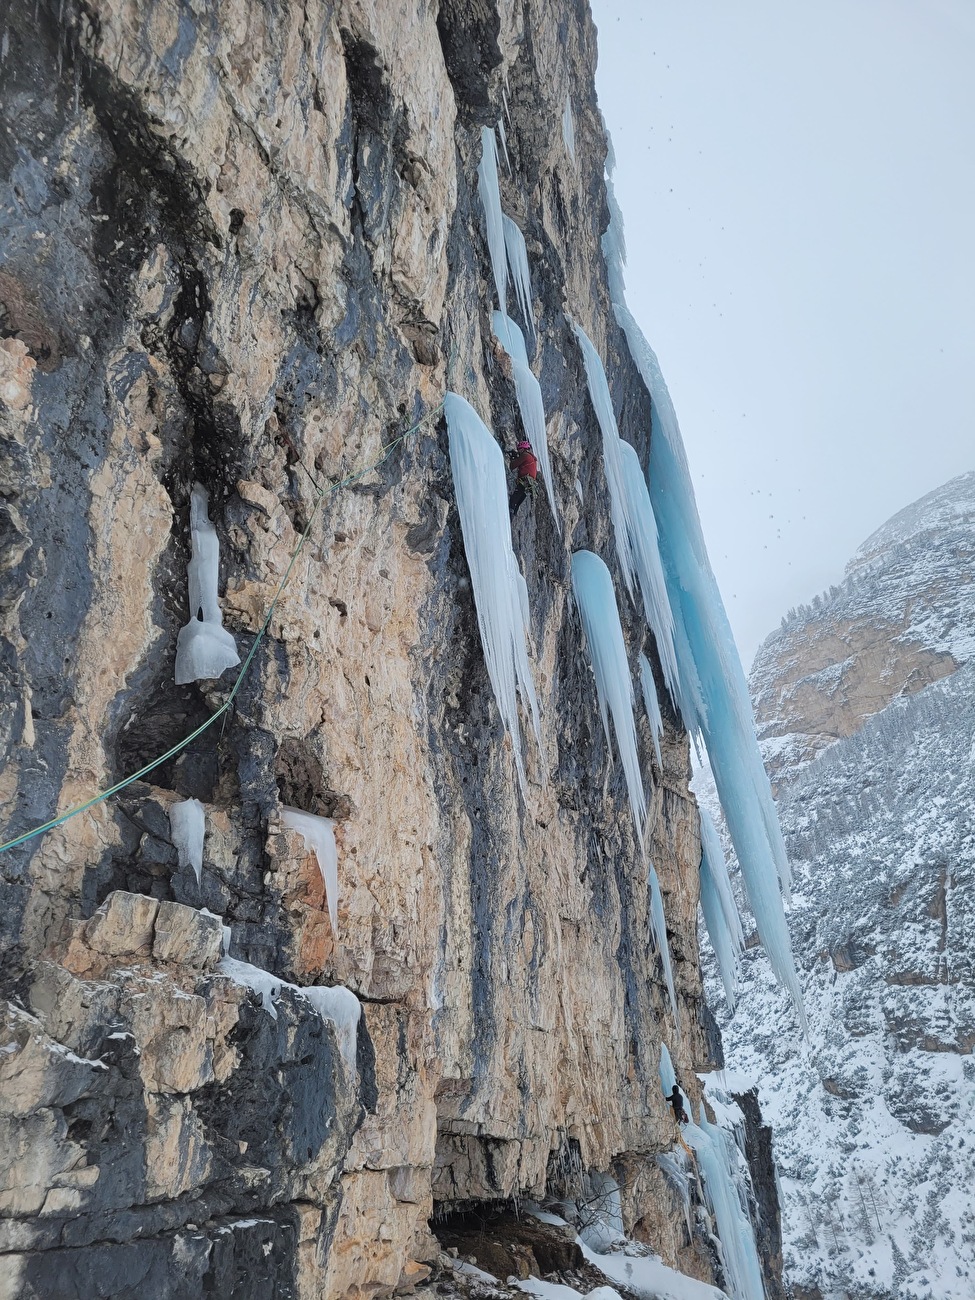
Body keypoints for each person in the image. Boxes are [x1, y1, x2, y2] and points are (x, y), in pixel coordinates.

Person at [509, 439, 539, 516]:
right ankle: (512, 517)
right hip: (530, 485)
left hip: (525, 481)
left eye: (519, 449)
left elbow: (512, 465)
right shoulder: (532, 458)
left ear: (523, 449)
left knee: (513, 500)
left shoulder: (525, 456)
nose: (518, 451)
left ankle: (509, 515)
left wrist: (513, 458)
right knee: (517, 503)